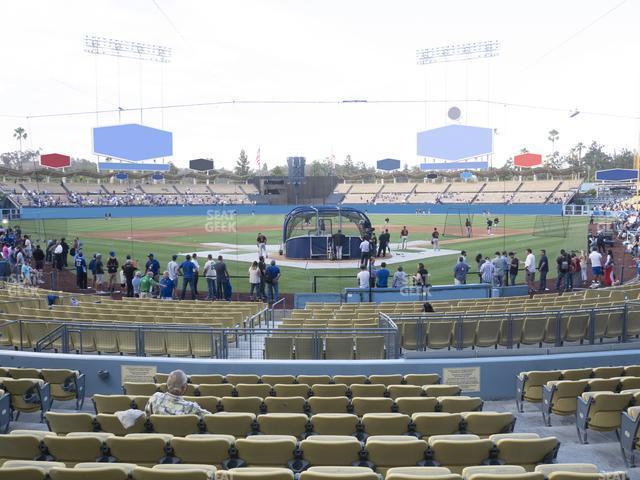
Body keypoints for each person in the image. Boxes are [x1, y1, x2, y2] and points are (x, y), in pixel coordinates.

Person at [145, 370, 211, 417]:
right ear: (184, 387)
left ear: (167, 385)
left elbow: (147, 416)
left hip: (157, 435)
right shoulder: (191, 408)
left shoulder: (155, 397)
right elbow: (211, 419)